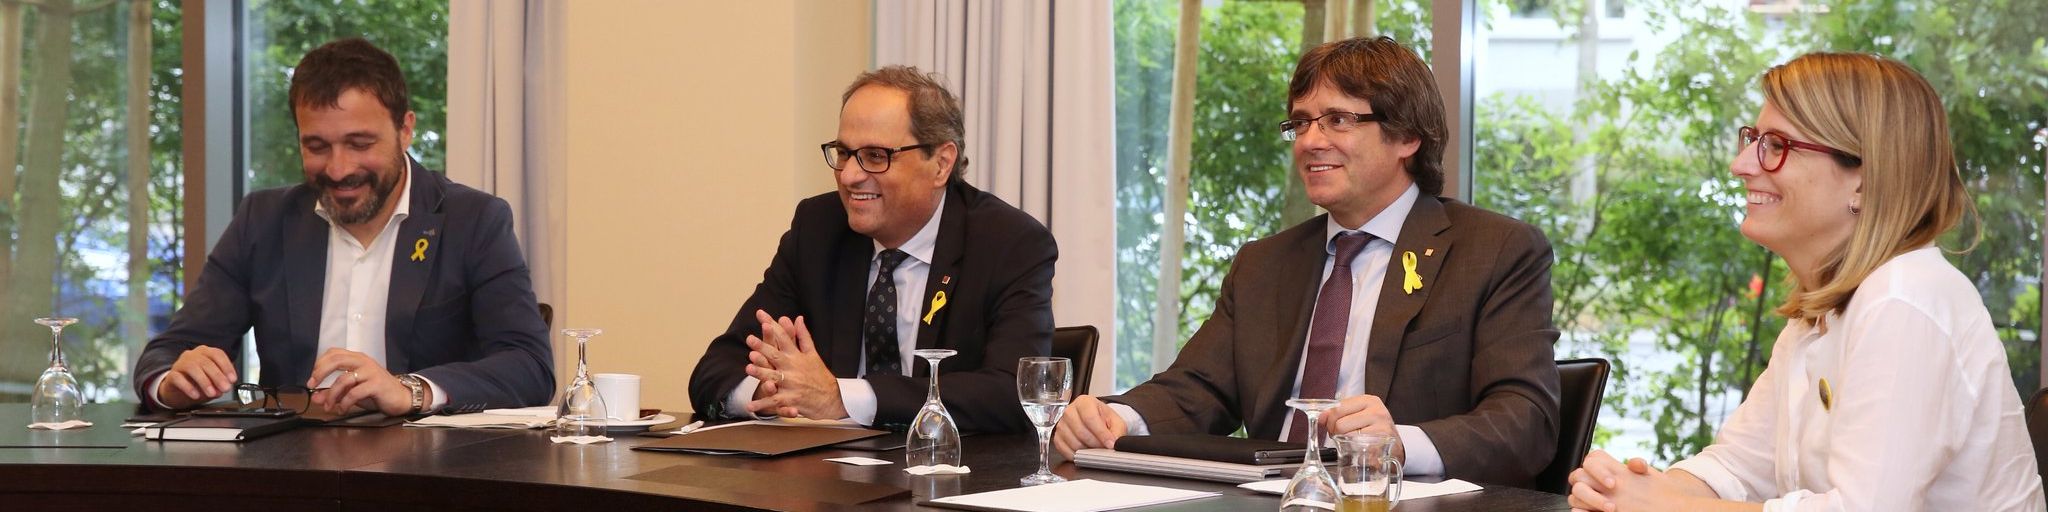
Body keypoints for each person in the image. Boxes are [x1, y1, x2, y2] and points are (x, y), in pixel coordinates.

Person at [1052, 36, 1562, 487]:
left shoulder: (1494, 250)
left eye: (1338, 120)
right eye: (1300, 123)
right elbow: (1198, 388)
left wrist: (1401, 444)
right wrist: (1118, 418)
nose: (1310, 141)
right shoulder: (1264, 263)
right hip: (1264, 499)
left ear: (1408, 137)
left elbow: (1525, 419)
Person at [1566, 52, 2045, 512]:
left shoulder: (1905, 299)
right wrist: (1624, 493)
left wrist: (1670, 507)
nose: (1741, 165)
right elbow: (1737, 467)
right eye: (1753, 139)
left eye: (1777, 146)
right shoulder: (1823, 311)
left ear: (1863, 180)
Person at [131, 38, 554, 417]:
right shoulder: (262, 220)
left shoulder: (474, 220)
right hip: (290, 465)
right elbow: (168, 353)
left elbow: (529, 365)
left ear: (405, 129)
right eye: (317, 147)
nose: (338, 169)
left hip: (430, 466)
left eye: (359, 144)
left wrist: (411, 390)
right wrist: (173, 382)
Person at [687, 66, 1056, 434]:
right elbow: (714, 371)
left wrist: (844, 398)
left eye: (876, 156)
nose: (849, 176)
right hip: (827, 468)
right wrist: (774, 393)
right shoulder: (818, 230)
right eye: (844, 153)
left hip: (949, 466)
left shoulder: (1009, 243)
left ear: (941, 164)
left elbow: (1016, 392)